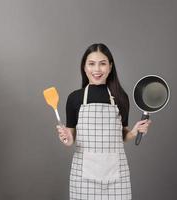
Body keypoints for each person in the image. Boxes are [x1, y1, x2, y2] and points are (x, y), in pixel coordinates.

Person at [57, 43, 151, 199]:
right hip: (83, 176)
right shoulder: (74, 98)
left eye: (102, 64)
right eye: (92, 64)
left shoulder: (121, 97)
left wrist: (135, 131)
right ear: (84, 67)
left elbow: (122, 136)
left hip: (116, 175)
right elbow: (71, 138)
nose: (97, 69)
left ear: (110, 66)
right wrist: (66, 138)